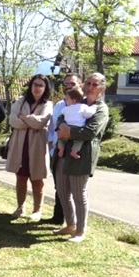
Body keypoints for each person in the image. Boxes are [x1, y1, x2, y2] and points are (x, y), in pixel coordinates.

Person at [53, 73, 109, 243]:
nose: (90, 87)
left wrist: (67, 132)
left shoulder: (101, 109)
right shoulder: (77, 101)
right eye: (88, 83)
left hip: (82, 156)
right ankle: (70, 224)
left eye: (95, 84)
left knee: (79, 194)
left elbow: (91, 132)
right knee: (62, 191)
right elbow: (61, 117)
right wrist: (61, 126)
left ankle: (80, 231)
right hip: (64, 153)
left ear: (102, 88)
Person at [5, 74, 53, 222]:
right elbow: (12, 120)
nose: (37, 88)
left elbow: (41, 122)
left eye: (41, 85)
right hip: (20, 145)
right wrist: (31, 121)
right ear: (30, 85)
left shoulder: (47, 104)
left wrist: (24, 118)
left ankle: (37, 210)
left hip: (37, 147)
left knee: (37, 179)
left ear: (45, 88)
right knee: (20, 177)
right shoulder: (21, 101)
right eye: (35, 84)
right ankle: (20, 207)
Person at [44, 73, 82, 225]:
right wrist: (50, 142)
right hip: (57, 152)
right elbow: (52, 127)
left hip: (74, 152)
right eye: (66, 84)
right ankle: (58, 218)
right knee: (59, 187)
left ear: (80, 85)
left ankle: (73, 223)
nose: (68, 87)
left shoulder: (84, 106)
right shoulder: (59, 105)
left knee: (74, 190)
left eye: (71, 84)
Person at [57, 87, 97, 159]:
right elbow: (89, 114)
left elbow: (61, 114)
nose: (66, 100)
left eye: (67, 99)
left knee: (61, 139)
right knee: (79, 141)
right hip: (77, 128)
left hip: (66, 126)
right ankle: (74, 151)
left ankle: (61, 148)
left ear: (73, 100)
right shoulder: (83, 107)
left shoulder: (66, 108)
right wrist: (94, 107)